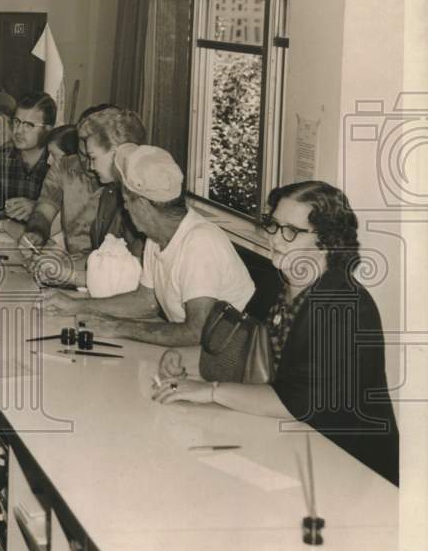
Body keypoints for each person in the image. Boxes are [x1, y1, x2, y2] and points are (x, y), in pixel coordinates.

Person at [153, 181, 400, 486]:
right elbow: (240, 351)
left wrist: (210, 390)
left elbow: (297, 402)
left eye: (292, 231)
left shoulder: (343, 306)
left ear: (327, 241)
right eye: (274, 225)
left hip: (353, 468)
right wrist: (184, 360)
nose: (276, 238)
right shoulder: (280, 285)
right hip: (295, 446)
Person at [44, 143, 255, 347]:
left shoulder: (200, 242)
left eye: (127, 201)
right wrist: (74, 306)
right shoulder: (157, 237)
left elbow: (197, 331)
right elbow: (146, 302)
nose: (125, 208)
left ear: (143, 205)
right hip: (196, 353)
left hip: (224, 361)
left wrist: (118, 328)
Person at [59, 106, 147, 288]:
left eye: (93, 158)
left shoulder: (142, 201)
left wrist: (68, 276)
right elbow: (100, 256)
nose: (90, 167)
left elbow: (133, 276)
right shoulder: (110, 193)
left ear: (118, 154)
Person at [18, 104, 110, 258]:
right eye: (82, 154)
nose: (89, 165)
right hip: (71, 264)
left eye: (93, 157)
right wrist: (37, 232)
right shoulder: (63, 166)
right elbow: (44, 209)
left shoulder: (122, 177)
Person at [0, 91, 56, 224]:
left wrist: (38, 208)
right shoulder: (4, 157)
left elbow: (72, 214)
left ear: (48, 130)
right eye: (17, 122)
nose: (19, 130)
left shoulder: (58, 162)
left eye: (28, 125)